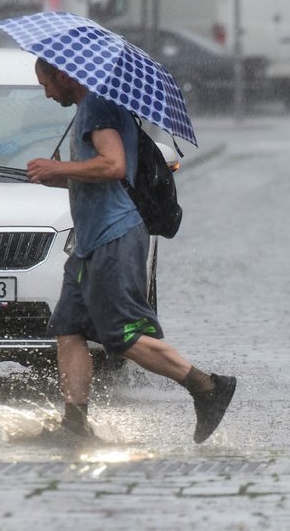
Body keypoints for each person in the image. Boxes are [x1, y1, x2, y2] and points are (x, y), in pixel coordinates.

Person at [25, 56, 235, 444]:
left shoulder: (97, 105)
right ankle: (74, 426)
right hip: (90, 242)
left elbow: (114, 166)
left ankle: (207, 387)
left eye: (46, 84)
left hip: (113, 236)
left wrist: (60, 170)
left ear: (65, 74)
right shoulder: (93, 106)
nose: (47, 92)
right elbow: (100, 174)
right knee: (68, 328)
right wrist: (57, 177)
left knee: (122, 335)